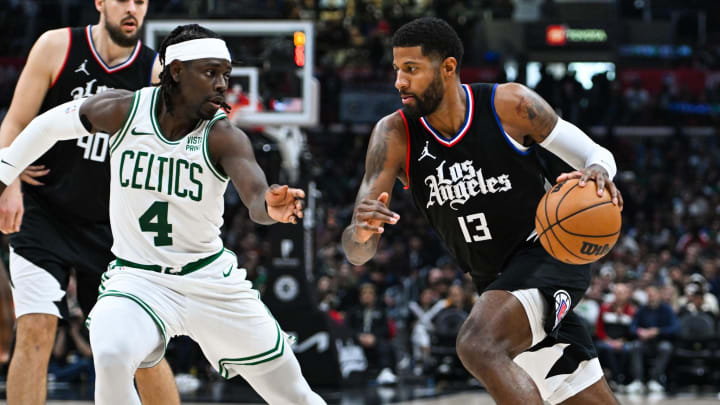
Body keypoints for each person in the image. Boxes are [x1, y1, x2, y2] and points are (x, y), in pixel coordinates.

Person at [0, 23, 325, 405]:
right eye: (210, 73)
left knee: (296, 396)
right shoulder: (125, 109)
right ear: (175, 72)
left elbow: (256, 197)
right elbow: (47, 125)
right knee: (112, 352)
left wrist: (270, 205)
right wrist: (4, 175)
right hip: (138, 281)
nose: (222, 84)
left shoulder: (223, 136)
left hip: (209, 282)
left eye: (226, 74)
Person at [342, 17, 623, 405]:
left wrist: (596, 171)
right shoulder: (393, 134)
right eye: (396, 70)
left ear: (448, 67)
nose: (399, 82)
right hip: (496, 282)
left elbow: (596, 154)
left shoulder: (509, 104)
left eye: (411, 69)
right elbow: (358, 254)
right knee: (585, 397)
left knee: (478, 343)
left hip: (549, 253)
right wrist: (359, 232)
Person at [0, 1, 179, 403]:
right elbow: (14, 121)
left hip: (111, 226)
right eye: (124, 0)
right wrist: (7, 181)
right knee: (35, 327)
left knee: (143, 348)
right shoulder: (56, 46)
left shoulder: (155, 74)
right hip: (43, 212)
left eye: (142, 2)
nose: (133, 9)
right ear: (100, 2)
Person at [627, 285, 679, 394]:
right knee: (635, 346)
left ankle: (654, 380)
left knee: (666, 347)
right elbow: (632, 327)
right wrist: (639, 332)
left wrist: (658, 331)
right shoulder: (642, 309)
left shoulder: (666, 309)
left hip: (660, 341)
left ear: (659, 295)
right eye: (649, 295)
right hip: (645, 342)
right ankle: (638, 381)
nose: (651, 297)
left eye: (653, 295)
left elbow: (675, 328)